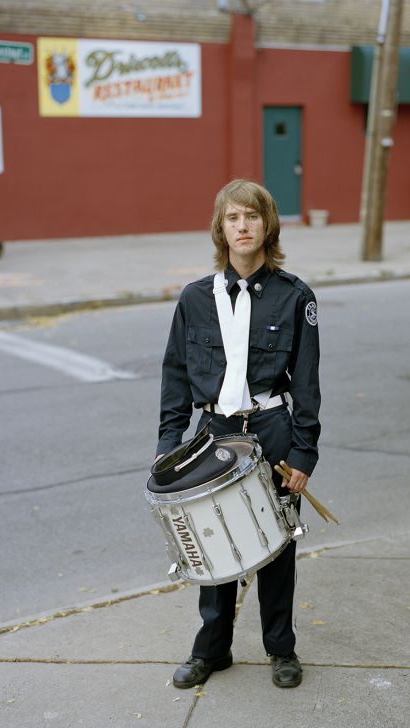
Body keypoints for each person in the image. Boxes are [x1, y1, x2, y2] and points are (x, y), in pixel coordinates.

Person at [155, 179, 321, 689]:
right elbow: (176, 376)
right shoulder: (195, 299)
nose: (243, 226)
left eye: (252, 217)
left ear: (267, 225)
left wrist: (302, 454)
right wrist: (168, 446)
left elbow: (309, 383)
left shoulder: (295, 297)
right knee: (213, 543)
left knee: (276, 546)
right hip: (214, 435)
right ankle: (212, 650)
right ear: (220, 228)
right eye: (232, 218)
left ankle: (281, 649)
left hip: (270, 430)